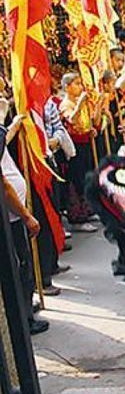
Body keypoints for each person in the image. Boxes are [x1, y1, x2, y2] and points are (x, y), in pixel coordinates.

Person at [1, 99, 49, 334]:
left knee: (23, 267)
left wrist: (13, 125)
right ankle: (24, 320)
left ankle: (25, 308)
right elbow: (4, 185)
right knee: (21, 268)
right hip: (11, 215)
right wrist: (26, 215)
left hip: (14, 213)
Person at [59, 73, 99, 233]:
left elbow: (86, 122)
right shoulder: (66, 104)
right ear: (67, 87)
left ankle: (87, 211)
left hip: (85, 143)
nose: (80, 87)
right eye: (76, 84)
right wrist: (80, 104)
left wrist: (91, 130)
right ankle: (77, 218)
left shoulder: (80, 103)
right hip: (74, 148)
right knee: (76, 180)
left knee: (86, 177)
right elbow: (72, 120)